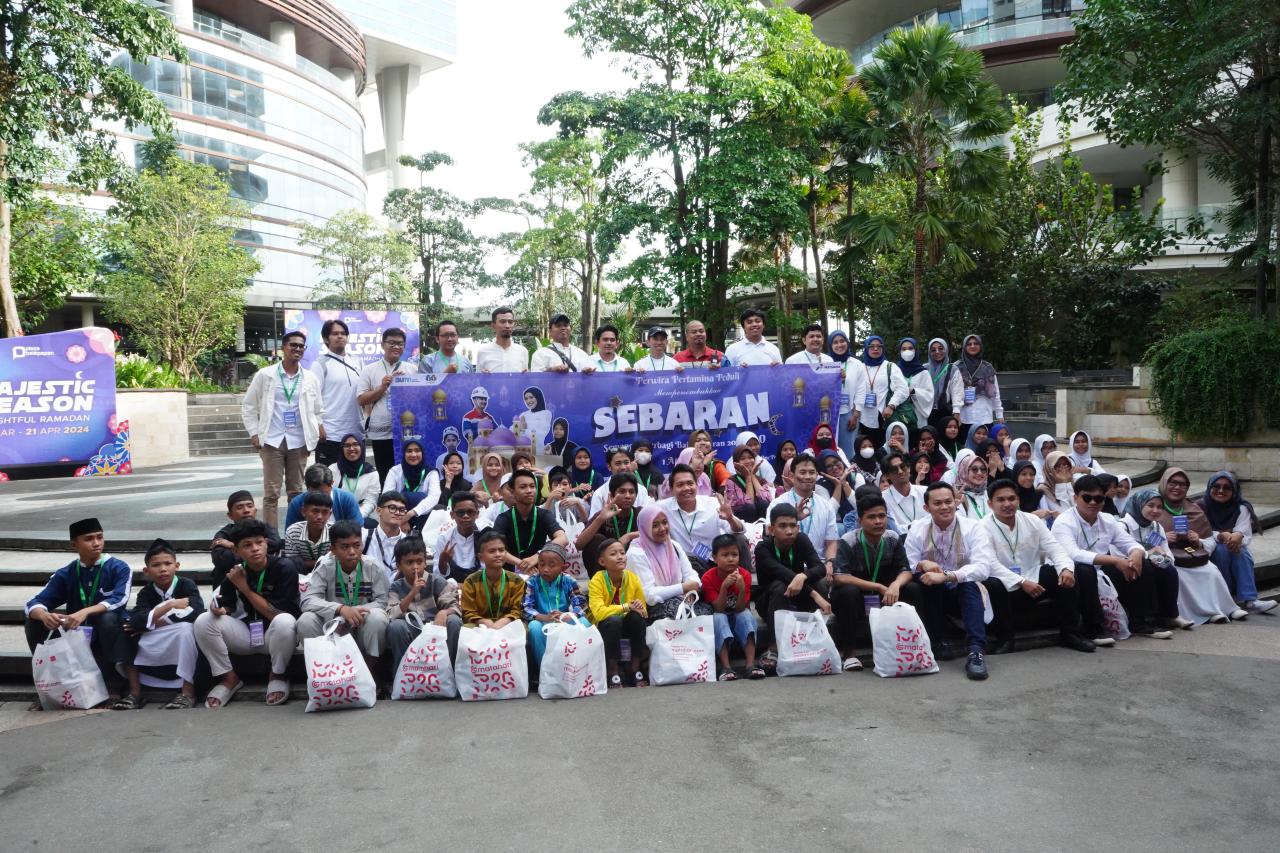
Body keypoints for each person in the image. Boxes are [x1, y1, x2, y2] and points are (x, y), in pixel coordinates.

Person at [1052, 475, 1176, 640]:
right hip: (1069, 569)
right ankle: (1093, 628)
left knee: (1140, 564)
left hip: (1100, 568)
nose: (1093, 503)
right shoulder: (1064, 521)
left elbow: (1130, 543)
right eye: (1087, 498)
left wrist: (1136, 553)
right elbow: (1074, 554)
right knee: (1085, 570)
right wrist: (1116, 560)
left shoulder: (1107, 520)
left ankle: (1140, 621)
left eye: (1098, 498)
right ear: (1075, 498)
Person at [981, 480, 1096, 654]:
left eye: (1011, 498)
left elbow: (1056, 549)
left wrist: (1066, 569)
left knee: (1064, 573)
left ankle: (1070, 633)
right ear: (990, 503)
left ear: (1018, 500)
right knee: (992, 582)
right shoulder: (982, 527)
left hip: (1033, 578)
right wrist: (1021, 581)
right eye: (1001, 500)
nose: (1007, 504)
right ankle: (1005, 639)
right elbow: (990, 564)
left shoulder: (1032, 520)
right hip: (1005, 586)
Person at [25, 518, 132, 704]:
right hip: (76, 634)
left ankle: (113, 683)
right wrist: (44, 615)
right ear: (74, 544)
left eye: (100, 537)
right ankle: (51, 683)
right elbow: (33, 603)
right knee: (34, 620)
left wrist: (86, 611)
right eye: (89, 539)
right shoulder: (66, 573)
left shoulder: (119, 567)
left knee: (108, 618)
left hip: (108, 634)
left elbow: (119, 600)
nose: (96, 543)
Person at [196, 519, 301, 707]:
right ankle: (229, 678)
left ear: (266, 543)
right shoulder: (236, 571)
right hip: (248, 634)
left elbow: (275, 614)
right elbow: (227, 605)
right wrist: (220, 609)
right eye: (247, 545)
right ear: (236, 551)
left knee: (285, 621)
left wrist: (244, 589)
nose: (255, 548)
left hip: (276, 637)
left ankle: (277, 674)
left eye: (259, 542)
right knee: (204, 620)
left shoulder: (284, 567)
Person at [904, 482, 997, 679]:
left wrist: (948, 576)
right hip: (932, 594)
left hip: (960, 591)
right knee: (924, 582)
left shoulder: (973, 528)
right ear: (926, 508)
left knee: (969, 583)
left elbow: (983, 567)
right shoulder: (918, 529)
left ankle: (976, 651)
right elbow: (907, 564)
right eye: (937, 503)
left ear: (956, 502)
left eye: (948, 501)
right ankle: (935, 642)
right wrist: (922, 564)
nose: (945, 507)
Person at [1124, 488, 1247, 625]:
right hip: (1140, 562)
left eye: (1159, 507)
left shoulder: (1159, 525)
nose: (1156, 510)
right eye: (1150, 506)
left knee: (1209, 571)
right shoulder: (1125, 525)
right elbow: (1122, 549)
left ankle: (1222, 609)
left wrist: (1196, 540)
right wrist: (1154, 552)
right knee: (1176, 573)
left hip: (1187, 554)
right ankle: (1181, 614)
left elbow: (1167, 554)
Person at [242, 329, 325, 528]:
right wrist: (254, 432)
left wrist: (318, 428)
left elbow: (318, 409)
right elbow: (249, 405)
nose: (297, 349)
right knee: (271, 493)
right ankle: (271, 539)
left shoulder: (310, 378)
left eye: (301, 346)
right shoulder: (265, 375)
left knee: (296, 492)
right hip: (272, 440)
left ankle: (293, 536)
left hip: (299, 439)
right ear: (283, 348)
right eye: (293, 345)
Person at [298, 520, 392, 685]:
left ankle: (369, 675)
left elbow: (383, 601)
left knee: (378, 618)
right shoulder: (325, 566)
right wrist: (340, 609)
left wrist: (355, 610)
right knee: (306, 620)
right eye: (344, 547)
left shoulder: (372, 566)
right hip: (335, 627)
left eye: (357, 545)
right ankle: (324, 675)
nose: (352, 552)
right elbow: (307, 600)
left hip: (363, 625)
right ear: (333, 550)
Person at [830, 495, 916, 671]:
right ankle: (849, 654)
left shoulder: (892, 538)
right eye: (871, 517)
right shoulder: (849, 540)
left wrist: (895, 585)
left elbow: (906, 570)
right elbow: (840, 576)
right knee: (848, 592)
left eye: (882, 516)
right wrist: (877, 586)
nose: (878, 521)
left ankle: (917, 645)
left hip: (885, 595)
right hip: (858, 597)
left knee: (913, 589)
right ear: (860, 520)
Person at [116, 538, 205, 710]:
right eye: (156, 565)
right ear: (146, 570)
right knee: (126, 630)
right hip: (157, 635)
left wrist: (154, 621)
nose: (163, 569)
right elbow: (136, 620)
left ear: (176, 566)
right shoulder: (146, 592)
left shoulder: (187, 584)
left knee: (186, 629)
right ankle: (135, 693)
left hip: (179, 636)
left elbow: (195, 613)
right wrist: (169, 606)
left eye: (168, 563)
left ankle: (188, 692)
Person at [753, 503, 832, 672]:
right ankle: (773, 648)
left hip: (798, 593)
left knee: (819, 583)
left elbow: (820, 567)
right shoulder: (763, 548)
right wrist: (814, 595)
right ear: (771, 529)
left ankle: (817, 640)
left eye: (793, 526)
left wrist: (803, 576)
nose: (789, 531)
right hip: (770, 601)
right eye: (782, 526)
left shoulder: (801, 539)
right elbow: (781, 573)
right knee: (782, 585)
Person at [385, 536, 463, 678]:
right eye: (409, 562)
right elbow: (391, 614)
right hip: (412, 629)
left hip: (436, 628)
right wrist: (412, 593)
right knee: (395, 627)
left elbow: (454, 606)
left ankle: (452, 673)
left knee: (454, 621)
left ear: (425, 562)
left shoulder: (437, 581)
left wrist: (444, 612)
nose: (415, 567)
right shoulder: (396, 586)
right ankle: (401, 677)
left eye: (419, 561)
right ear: (399, 565)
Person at [1198, 471, 1273, 615]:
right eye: (1217, 486)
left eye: (1227, 487)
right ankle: (1226, 599)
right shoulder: (1201, 506)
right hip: (1206, 545)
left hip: (1231, 545)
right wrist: (1220, 535)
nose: (1221, 491)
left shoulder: (1241, 507)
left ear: (1234, 490)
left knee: (1241, 552)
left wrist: (1238, 535)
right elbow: (1200, 530)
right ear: (1209, 487)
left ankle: (1250, 599)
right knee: (1221, 551)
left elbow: (1244, 533)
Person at [356, 327, 417, 485]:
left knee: (408, 473)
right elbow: (361, 399)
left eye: (400, 343)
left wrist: (407, 386)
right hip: (381, 433)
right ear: (382, 344)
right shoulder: (370, 369)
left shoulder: (412, 370)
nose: (396, 347)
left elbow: (420, 399)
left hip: (407, 431)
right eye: (392, 343)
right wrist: (382, 387)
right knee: (385, 473)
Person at [587, 538, 650, 688]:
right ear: (602, 562)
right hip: (605, 627)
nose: (620, 556)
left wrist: (639, 607)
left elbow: (644, 611)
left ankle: (635, 668)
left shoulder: (632, 578)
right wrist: (627, 606)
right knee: (613, 621)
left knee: (638, 617)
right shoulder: (597, 580)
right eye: (614, 554)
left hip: (626, 625)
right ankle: (613, 671)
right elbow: (599, 613)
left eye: (622, 552)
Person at [701, 534, 762, 680]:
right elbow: (719, 609)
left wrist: (741, 589)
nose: (730, 559)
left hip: (737, 614)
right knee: (719, 618)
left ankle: (750, 665)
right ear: (714, 558)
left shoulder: (745, 575)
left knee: (746, 615)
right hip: (721, 614)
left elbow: (741, 608)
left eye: (734, 554)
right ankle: (726, 667)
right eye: (725, 555)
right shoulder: (708, 578)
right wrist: (724, 588)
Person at [627, 504, 704, 620]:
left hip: (681, 598)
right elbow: (649, 595)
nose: (662, 528)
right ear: (645, 527)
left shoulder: (673, 545)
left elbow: (690, 574)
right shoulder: (636, 554)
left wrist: (691, 593)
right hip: (650, 608)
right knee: (684, 614)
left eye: (664, 522)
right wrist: (683, 587)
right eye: (655, 525)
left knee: (707, 611)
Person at [658, 464, 743, 568]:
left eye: (690, 483)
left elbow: (739, 530)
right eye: (680, 485)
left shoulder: (712, 504)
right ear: (671, 489)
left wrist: (730, 519)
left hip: (713, 561)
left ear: (696, 485)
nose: (686, 488)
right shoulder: (661, 508)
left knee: (740, 538)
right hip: (681, 564)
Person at [521, 542, 587, 671]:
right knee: (533, 627)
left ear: (563, 567)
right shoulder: (532, 581)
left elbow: (581, 604)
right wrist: (544, 617)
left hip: (564, 620)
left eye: (552, 565)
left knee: (584, 623)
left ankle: (576, 669)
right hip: (542, 621)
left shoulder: (569, 580)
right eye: (541, 564)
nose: (545, 569)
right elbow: (526, 608)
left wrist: (569, 615)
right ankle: (545, 671)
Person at [768, 454, 839, 568]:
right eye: (802, 472)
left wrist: (830, 563)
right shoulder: (777, 503)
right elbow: (769, 535)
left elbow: (831, 542)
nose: (807, 476)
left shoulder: (826, 506)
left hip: (818, 565)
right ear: (792, 475)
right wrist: (795, 518)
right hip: (786, 565)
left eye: (811, 472)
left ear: (817, 475)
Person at [493, 469, 570, 573]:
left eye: (532, 486)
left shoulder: (544, 514)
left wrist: (537, 556)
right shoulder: (503, 518)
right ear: (513, 492)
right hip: (511, 573)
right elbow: (495, 547)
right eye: (523, 487)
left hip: (541, 570)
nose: (529, 490)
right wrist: (522, 564)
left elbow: (563, 538)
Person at [312, 319, 364, 466]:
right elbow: (312, 398)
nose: (340, 336)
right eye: (335, 333)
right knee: (328, 480)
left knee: (355, 478)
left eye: (343, 333)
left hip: (356, 433)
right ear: (325, 339)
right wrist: (319, 426)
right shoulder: (320, 364)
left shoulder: (358, 361)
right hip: (331, 434)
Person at [845, 335, 907, 451]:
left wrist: (891, 405)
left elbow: (903, 389)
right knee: (865, 448)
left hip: (883, 416)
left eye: (879, 346)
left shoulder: (890, 366)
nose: (875, 349)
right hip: (861, 417)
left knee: (883, 450)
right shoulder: (860, 367)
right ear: (866, 349)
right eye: (872, 346)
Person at [460, 529, 527, 627]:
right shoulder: (471, 581)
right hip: (480, 625)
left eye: (501, 550)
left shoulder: (517, 581)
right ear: (481, 557)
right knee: (466, 628)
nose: (498, 554)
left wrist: (504, 621)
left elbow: (517, 610)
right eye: (492, 551)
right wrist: (483, 622)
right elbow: (468, 612)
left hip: (508, 624)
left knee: (522, 628)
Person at [212, 491, 283, 574]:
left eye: (250, 506)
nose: (246, 510)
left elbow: (276, 543)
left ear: (255, 511)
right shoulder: (224, 534)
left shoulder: (263, 527)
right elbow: (222, 560)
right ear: (230, 515)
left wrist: (232, 546)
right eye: (239, 508)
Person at [577, 473, 643, 555]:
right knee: (597, 539)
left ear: (636, 495)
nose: (628, 496)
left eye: (631, 492)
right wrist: (600, 519)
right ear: (612, 495)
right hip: (608, 564)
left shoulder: (641, 514)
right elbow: (579, 545)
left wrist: (629, 536)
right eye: (622, 491)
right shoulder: (603, 514)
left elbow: (657, 534)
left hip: (635, 563)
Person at [954, 334, 1003, 445]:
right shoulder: (956, 367)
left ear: (980, 346)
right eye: (969, 344)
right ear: (964, 347)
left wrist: (999, 413)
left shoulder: (988, 367)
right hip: (964, 417)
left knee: (985, 449)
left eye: (976, 343)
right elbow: (953, 392)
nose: (972, 346)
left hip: (984, 416)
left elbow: (996, 392)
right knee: (965, 449)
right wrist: (955, 412)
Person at [283, 462, 363, 528]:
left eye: (324, 493)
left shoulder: (347, 499)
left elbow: (357, 529)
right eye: (314, 494)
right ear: (307, 487)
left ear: (332, 484)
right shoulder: (296, 503)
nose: (319, 498)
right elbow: (290, 532)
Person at [434, 491, 491, 582]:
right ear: (452, 515)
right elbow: (438, 576)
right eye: (460, 513)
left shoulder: (484, 535)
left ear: (477, 514)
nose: (465, 516)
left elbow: (489, 568)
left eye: (470, 512)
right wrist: (443, 561)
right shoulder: (444, 538)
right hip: (453, 586)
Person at [384, 440, 440, 525]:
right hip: (397, 514)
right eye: (409, 451)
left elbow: (434, 497)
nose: (413, 455)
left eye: (417, 450)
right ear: (404, 453)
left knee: (426, 500)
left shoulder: (431, 472)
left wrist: (410, 514)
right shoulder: (395, 471)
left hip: (422, 515)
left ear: (422, 453)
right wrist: (402, 518)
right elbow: (386, 495)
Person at [892, 337, 935, 445]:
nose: (907, 351)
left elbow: (929, 395)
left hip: (917, 417)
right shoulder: (894, 370)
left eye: (910, 348)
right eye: (904, 348)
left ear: (916, 350)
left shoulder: (923, 372)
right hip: (899, 416)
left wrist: (914, 391)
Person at [722, 444, 776, 523]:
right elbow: (748, 504)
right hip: (742, 521)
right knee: (749, 508)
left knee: (763, 504)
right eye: (743, 459)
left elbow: (768, 501)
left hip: (760, 520)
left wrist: (752, 476)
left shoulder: (761, 480)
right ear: (735, 463)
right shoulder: (732, 481)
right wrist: (748, 478)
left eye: (750, 458)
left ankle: (764, 533)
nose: (747, 461)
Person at [282, 491, 333, 573]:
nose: (319, 517)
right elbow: (292, 563)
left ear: (330, 515)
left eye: (325, 512)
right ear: (303, 511)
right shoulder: (293, 532)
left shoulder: (335, 532)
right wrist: (324, 561)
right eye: (315, 511)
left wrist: (305, 563)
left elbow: (337, 562)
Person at [362, 491, 410, 576]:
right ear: (379, 511)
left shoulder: (408, 543)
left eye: (402, 510)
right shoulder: (363, 537)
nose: (398, 513)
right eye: (392, 508)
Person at [330, 434, 378, 517]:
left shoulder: (371, 473)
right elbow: (327, 496)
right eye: (347, 445)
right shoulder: (333, 469)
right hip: (336, 514)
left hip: (360, 516)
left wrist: (355, 516)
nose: (351, 448)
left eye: (356, 444)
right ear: (342, 449)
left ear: (362, 448)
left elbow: (370, 501)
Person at [826, 330, 856, 458]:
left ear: (847, 343)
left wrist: (856, 415)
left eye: (842, 341)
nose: (839, 345)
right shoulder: (825, 363)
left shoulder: (856, 364)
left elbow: (861, 390)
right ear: (830, 345)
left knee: (847, 451)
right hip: (827, 413)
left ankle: (849, 476)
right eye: (835, 342)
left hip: (847, 414)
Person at [531, 313, 596, 373]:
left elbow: (590, 379)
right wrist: (551, 371)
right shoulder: (541, 354)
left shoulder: (581, 354)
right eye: (558, 325)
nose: (563, 328)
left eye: (566, 325)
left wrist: (587, 374)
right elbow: (536, 380)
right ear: (550, 331)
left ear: (570, 330)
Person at [925, 338, 963, 435]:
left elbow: (957, 391)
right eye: (933, 350)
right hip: (926, 412)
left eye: (941, 348)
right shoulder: (924, 368)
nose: (937, 352)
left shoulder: (952, 369)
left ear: (945, 350)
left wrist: (956, 412)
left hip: (944, 411)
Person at [476, 306, 530, 373]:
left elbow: (525, 380)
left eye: (510, 322)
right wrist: (483, 377)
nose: (507, 326)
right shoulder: (483, 352)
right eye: (502, 322)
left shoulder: (522, 351)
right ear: (493, 326)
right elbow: (478, 381)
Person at [882, 450, 926, 530]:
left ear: (909, 468)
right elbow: (892, 528)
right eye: (894, 469)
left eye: (903, 467)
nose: (900, 471)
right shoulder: (882, 499)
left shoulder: (925, 492)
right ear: (886, 476)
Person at [1037, 451, 1075, 519]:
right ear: (1049, 469)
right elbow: (1064, 514)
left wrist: (1068, 483)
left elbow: (1078, 510)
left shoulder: (1075, 484)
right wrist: (1061, 483)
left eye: (1066, 464)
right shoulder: (1043, 491)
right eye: (1057, 466)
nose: (1062, 468)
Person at [514, 386, 553, 451]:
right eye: (526, 399)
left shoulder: (546, 413)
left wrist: (523, 429)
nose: (528, 401)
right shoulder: (523, 415)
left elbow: (540, 434)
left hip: (538, 452)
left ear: (538, 397)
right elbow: (514, 433)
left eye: (531, 397)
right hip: (522, 452)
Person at [954, 453, 990, 520]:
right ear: (964, 471)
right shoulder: (959, 496)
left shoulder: (989, 494)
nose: (979, 473)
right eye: (974, 469)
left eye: (983, 469)